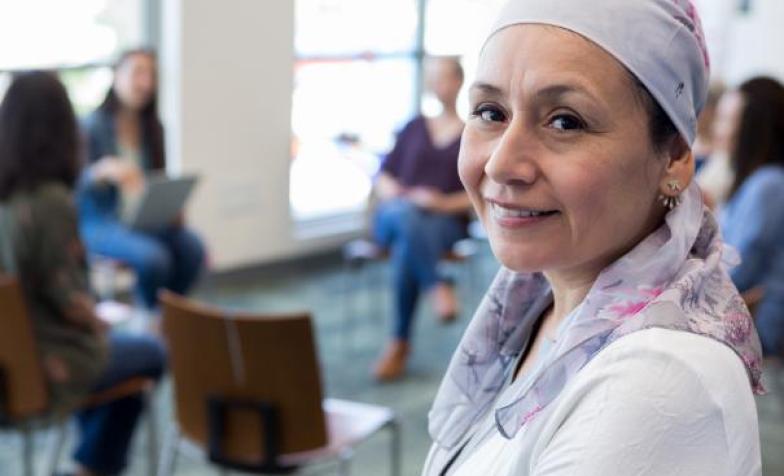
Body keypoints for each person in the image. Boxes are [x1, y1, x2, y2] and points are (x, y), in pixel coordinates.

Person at [423, 1, 763, 475]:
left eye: (565, 121)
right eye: (490, 112)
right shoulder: (537, 300)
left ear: (674, 158)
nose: (500, 164)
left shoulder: (657, 382)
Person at [0, 71, 165, 476]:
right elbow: (70, 301)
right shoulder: (50, 202)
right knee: (151, 353)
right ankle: (90, 467)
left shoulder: (7, 198)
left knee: (120, 364)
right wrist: (98, 320)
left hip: (8, 361)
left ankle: (88, 462)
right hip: (46, 360)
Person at [77, 48, 205, 310]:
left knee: (193, 248)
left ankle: (169, 314)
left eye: (151, 75)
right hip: (102, 223)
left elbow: (155, 182)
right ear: (117, 76)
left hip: (142, 219)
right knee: (154, 258)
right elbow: (74, 185)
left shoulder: (154, 128)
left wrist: (170, 208)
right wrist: (101, 170)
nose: (145, 83)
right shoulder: (92, 126)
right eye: (138, 73)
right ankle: (149, 315)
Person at [372, 57, 473, 381]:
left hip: (442, 221)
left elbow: (478, 194)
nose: (435, 84)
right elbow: (383, 174)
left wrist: (441, 203)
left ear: (458, 81)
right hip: (394, 214)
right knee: (406, 215)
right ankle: (436, 285)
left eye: (441, 77)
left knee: (408, 246)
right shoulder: (414, 126)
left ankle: (399, 343)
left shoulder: (471, 134)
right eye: (431, 78)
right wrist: (396, 193)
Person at [718, 77, 784, 357]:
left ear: (751, 129)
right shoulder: (758, 182)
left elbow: (736, 269)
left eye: (726, 120)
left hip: (758, 337)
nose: (717, 129)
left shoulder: (768, 184)